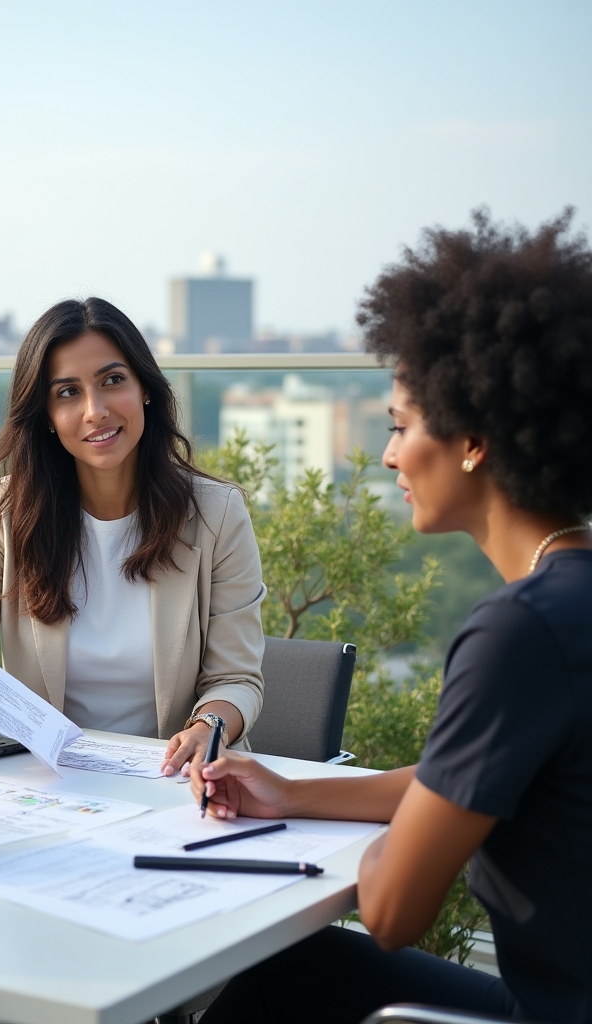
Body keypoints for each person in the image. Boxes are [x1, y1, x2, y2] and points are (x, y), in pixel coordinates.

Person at [192, 210, 592, 1024]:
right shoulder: (573, 602)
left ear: (473, 440)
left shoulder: (519, 633)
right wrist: (295, 793)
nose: (387, 456)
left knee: (283, 969)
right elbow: (471, 777)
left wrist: (386, 851)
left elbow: (389, 912)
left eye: (401, 427)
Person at [0, 297, 267, 773]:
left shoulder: (217, 514)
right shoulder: (10, 509)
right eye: (68, 393)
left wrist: (207, 727)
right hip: (49, 779)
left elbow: (237, 679)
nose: (95, 410)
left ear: (144, 389)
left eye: (112, 381)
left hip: (174, 779)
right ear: (47, 418)